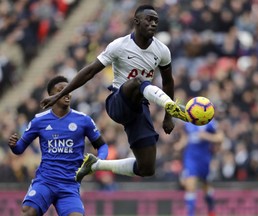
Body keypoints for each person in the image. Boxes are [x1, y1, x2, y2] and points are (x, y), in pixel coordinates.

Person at [40, 4, 187, 182]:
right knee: (139, 81)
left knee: (147, 168)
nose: (153, 23)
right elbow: (90, 71)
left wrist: (168, 117)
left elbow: (168, 81)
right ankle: (171, 105)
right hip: (118, 101)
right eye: (149, 19)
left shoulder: (162, 50)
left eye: (156, 20)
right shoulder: (119, 45)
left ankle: (96, 165)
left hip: (140, 108)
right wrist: (59, 94)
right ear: (136, 21)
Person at [8, 75, 108, 216]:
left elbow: (102, 146)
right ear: (51, 96)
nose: (67, 93)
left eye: (69, 89)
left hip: (69, 185)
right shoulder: (39, 121)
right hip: (45, 182)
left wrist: (99, 161)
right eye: (61, 90)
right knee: (28, 212)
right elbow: (19, 149)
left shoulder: (83, 120)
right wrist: (13, 145)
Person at [175, 119, 224, 216]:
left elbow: (220, 138)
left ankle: (211, 210)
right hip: (190, 158)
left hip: (205, 159)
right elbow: (185, 138)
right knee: (190, 185)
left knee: (206, 187)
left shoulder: (211, 123)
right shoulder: (188, 123)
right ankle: (190, 214)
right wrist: (179, 145)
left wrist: (206, 136)